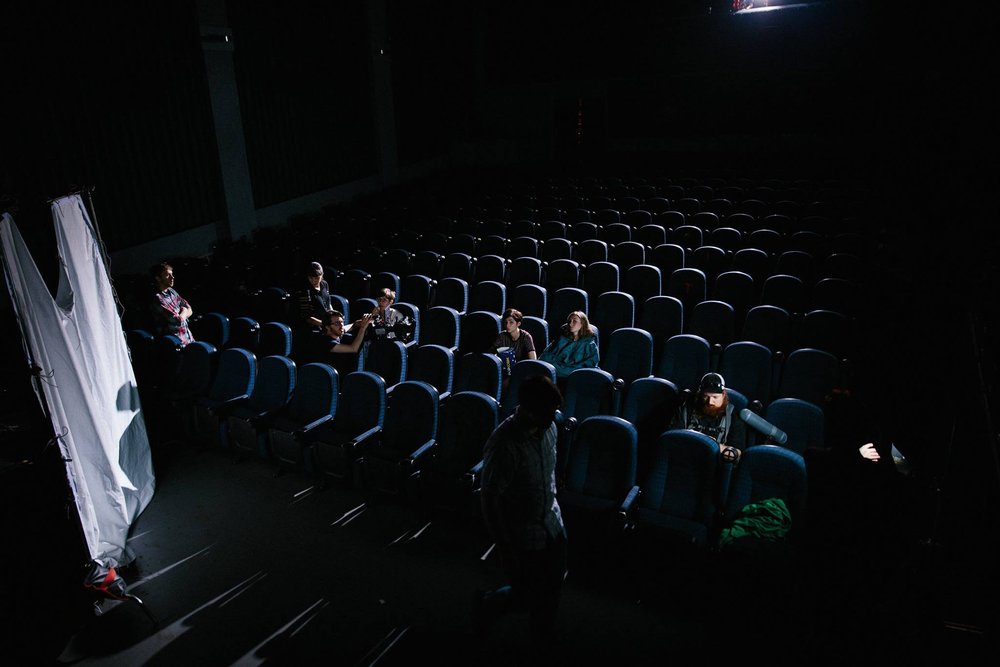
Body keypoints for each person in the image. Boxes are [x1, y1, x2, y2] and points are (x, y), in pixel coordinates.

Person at [477, 374, 567, 648]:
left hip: (552, 523)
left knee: (552, 590)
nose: (553, 417)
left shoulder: (550, 426)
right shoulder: (505, 443)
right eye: (547, 412)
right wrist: (504, 547)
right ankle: (487, 605)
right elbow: (490, 499)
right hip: (524, 534)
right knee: (527, 594)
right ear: (528, 410)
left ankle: (542, 640)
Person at [669, 372, 746, 459]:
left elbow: (737, 453)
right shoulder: (686, 409)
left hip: (715, 463)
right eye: (706, 396)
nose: (710, 402)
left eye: (715, 397)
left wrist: (712, 444)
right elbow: (672, 438)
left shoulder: (732, 416)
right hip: (685, 457)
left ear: (724, 395)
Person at [538, 310, 599, 391]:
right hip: (554, 377)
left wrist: (558, 367)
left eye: (574, 321)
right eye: (569, 321)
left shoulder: (590, 345)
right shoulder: (560, 339)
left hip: (574, 381)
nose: (570, 324)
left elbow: (587, 368)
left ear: (582, 324)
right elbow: (544, 357)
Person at [149, 261, 194, 346]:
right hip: (175, 343)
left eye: (172, 274)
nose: (172, 277)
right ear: (158, 278)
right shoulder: (157, 298)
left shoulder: (172, 291)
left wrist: (183, 313)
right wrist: (184, 310)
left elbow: (190, 309)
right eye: (167, 275)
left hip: (188, 339)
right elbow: (177, 321)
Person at [493, 308, 537, 387]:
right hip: (505, 370)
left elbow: (533, 360)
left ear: (518, 324)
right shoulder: (502, 336)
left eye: (511, 322)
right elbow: (491, 353)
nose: (507, 325)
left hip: (521, 371)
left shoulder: (526, 337)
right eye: (506, 322)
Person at [298, 261, 334, 330]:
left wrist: (334, 316)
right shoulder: (305, 291)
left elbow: (328, 304)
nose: (313, 281)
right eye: (311, 278)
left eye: (317, 278)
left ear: (322, 275)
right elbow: (307, 317)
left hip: (326, 323)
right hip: (314, 326)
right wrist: (325, 324)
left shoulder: (325, 284)